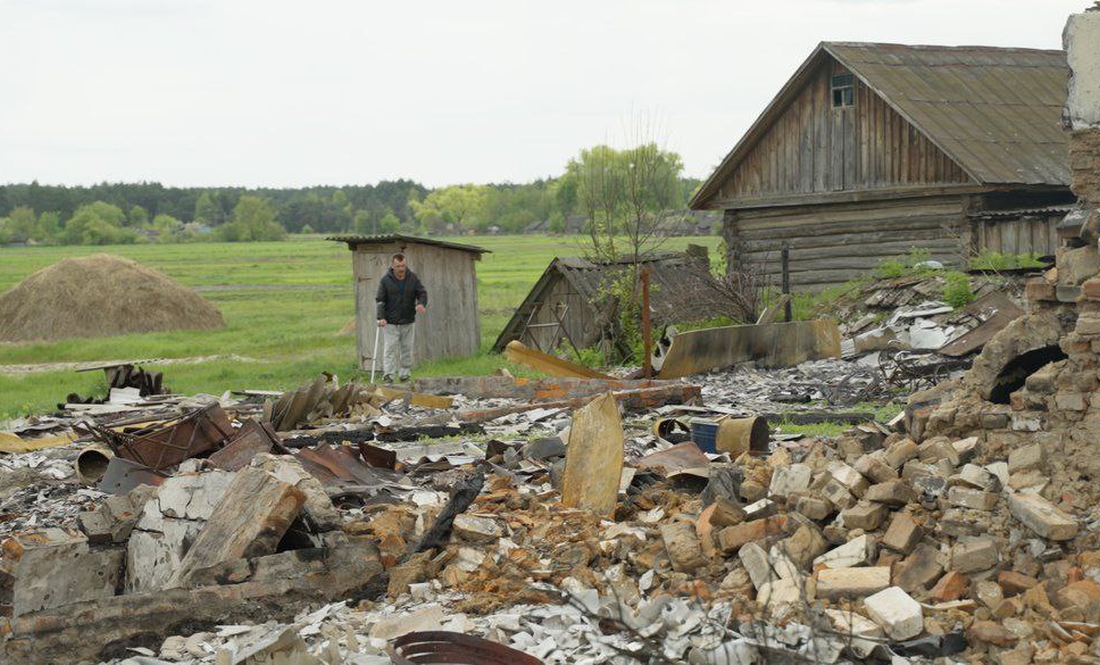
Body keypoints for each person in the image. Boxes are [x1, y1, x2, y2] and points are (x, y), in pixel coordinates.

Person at [375, 253, 427, 382]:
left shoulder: (412, 278)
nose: (401, 269)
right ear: (393, 266)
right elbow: (380, 300)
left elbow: (422, 293)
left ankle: (404, 374)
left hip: (408, 320)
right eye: (398, 266)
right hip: (390, 322)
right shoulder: (385, 280)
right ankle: (388, 375)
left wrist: (421, 303)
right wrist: (381, 317)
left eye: (403, 265)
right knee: (390, 348)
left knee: (407, 349)